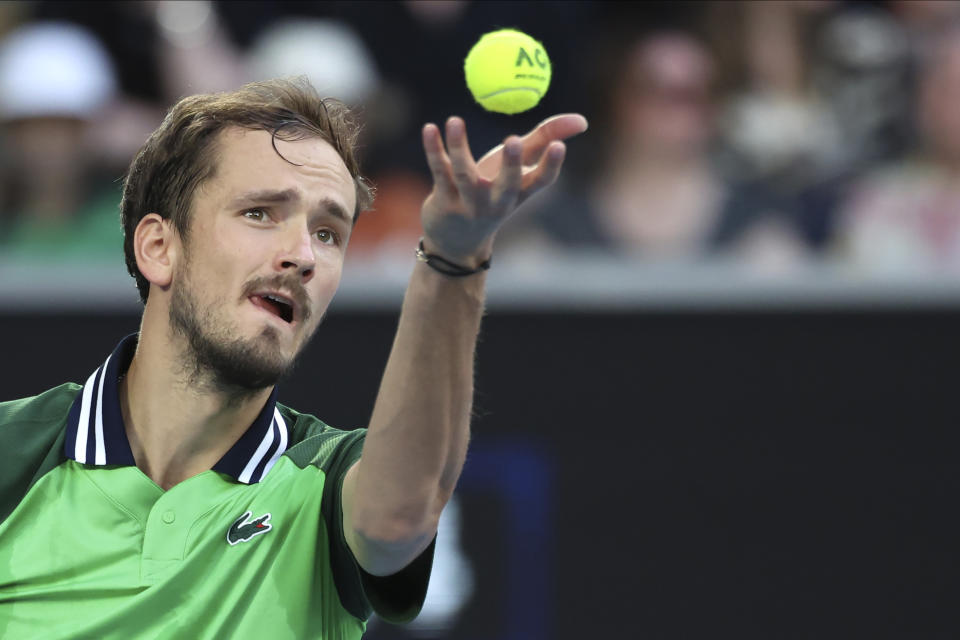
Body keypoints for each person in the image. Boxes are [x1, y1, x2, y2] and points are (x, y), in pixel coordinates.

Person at [0, 77, 587, 637]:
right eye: (260, 212)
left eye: (329, 232)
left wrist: (453, 259)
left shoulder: (326, 479)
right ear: (159, 248)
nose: (303, 255)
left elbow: (397, 522)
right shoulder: (15, 450)